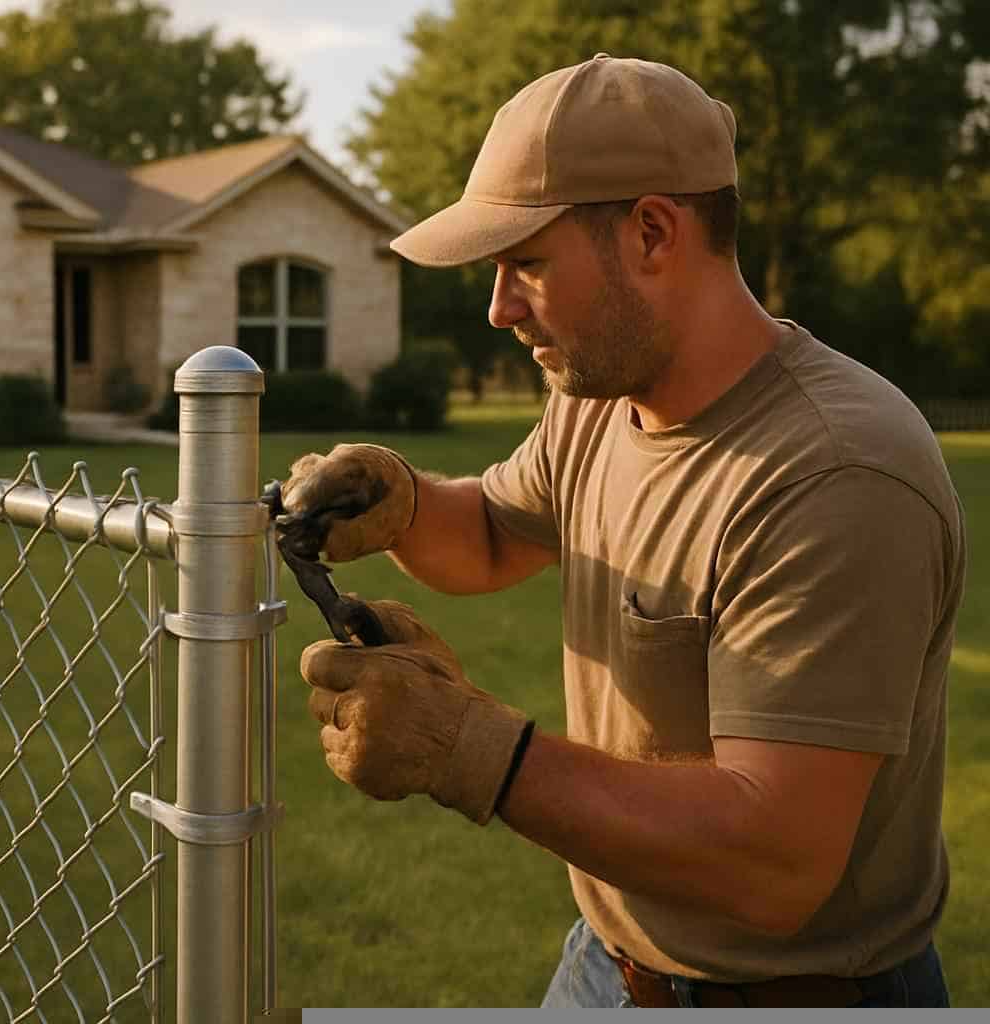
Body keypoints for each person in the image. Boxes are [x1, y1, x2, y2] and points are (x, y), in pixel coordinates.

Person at [281, 54, 963, 1008]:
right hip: (604, 966)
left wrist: (461, 743)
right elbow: (492, 535)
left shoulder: (836, 472)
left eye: (525, 264)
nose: (498, 309)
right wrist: (398, 499)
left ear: (651, 232)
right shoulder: (602, 398)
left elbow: (774, 862)